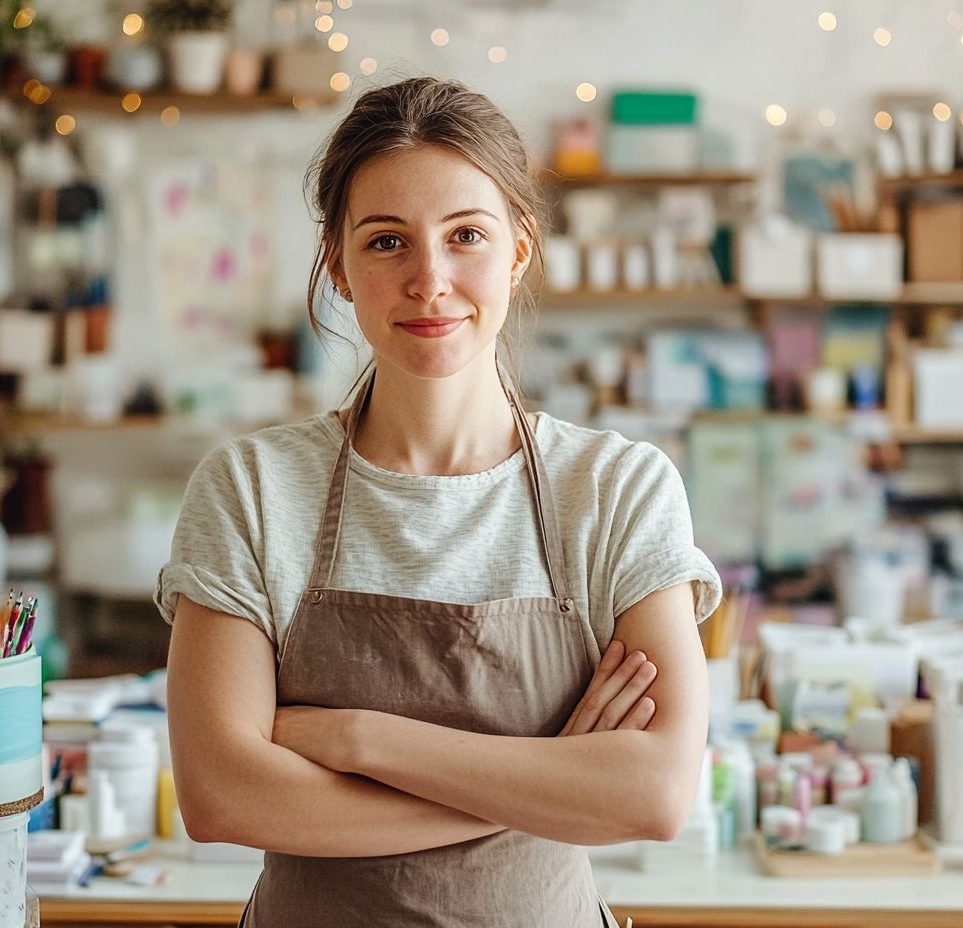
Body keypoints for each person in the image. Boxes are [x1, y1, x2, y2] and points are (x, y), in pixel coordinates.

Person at [157, 76, 722, 927]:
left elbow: (654, 794)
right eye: (387, 242)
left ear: (519, 252)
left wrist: (358, 742)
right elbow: (223, 798)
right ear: (337, 266)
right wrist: (550, 780)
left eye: (466, 236)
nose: (429, 280)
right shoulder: (254, 490)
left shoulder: (615, 490)